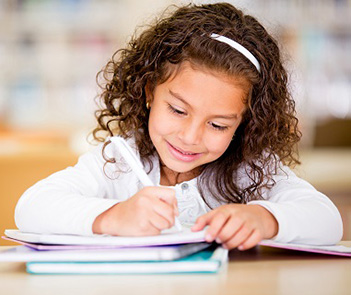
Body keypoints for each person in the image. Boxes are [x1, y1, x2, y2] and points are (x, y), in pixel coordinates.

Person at [15, 2, 342, 250]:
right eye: (177, 110)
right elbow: (31, 208)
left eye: (216, 124)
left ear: (245, 123)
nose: (189, 137)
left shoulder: (252, 170)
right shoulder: (119, 161)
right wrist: (113, 216)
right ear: (148, 92)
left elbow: (328, 220)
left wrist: (265, 218)